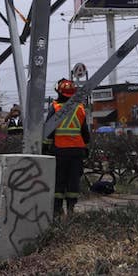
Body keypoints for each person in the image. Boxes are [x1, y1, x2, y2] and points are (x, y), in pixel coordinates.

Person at [45, 79, 90, 217]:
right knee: (73, 180)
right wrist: (86, 149)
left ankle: (58, 210)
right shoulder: (80, 108)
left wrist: (45, 149)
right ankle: (71, 208)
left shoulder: (56, 108)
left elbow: (48, 131)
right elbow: (85, 133)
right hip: (77, 150)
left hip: (60, 150)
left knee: (59, 180)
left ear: (59, 92)